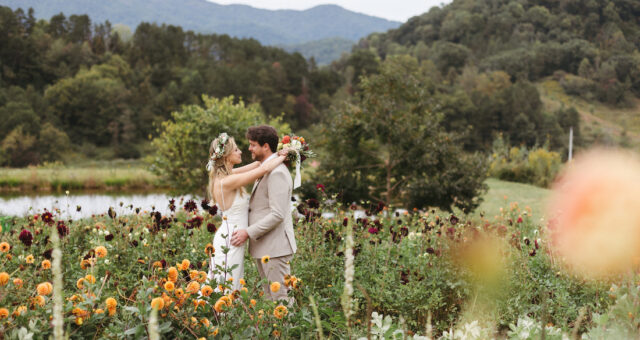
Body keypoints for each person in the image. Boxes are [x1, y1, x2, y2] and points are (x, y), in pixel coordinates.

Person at [206, 132, 287, 292]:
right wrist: (286, 155)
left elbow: (258, 165)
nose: (241, 152)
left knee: (230, 283)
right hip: (231, 240)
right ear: (227, 156)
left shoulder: (228, 175)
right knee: (225, 286)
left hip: (233, 236)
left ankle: (218, 315)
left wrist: (277, 152)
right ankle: (215, 315)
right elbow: (263, 169)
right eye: (236, 150)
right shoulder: (227, 181)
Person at [231, 125, 296, 305]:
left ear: (265, 146)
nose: (249, 148)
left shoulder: (277, 173)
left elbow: (277, 214)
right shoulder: (266, 167)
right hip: (266, 246)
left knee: (281, 300)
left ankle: (290, 334)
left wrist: (247, 232)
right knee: (270, 299)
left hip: (276, 248)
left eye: (253, 145)